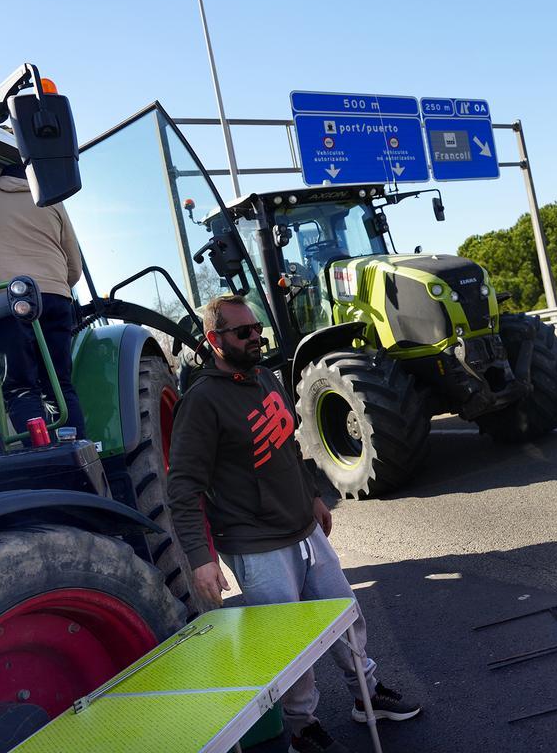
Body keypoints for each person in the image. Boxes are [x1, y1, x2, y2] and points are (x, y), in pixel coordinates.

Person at [167, 294, 421, 753]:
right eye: (243, 332)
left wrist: (313, 498)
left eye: (256, 328)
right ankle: (304, 727)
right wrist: (201, 559)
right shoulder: (201, 402)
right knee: (290, 646)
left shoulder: (264, 376)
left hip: (303, 529)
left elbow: (287, 445)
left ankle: (367, 696)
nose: (256, 337)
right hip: (254, 543)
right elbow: (182, 487)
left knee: (345, 615)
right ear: (214, 339)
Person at [0, 162, 86, 438]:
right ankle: (75, 447)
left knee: (21, 388)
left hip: (7, 300)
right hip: (56, 299)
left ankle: (41, 454)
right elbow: (74, 269)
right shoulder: (52, 201)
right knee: (60, 386)